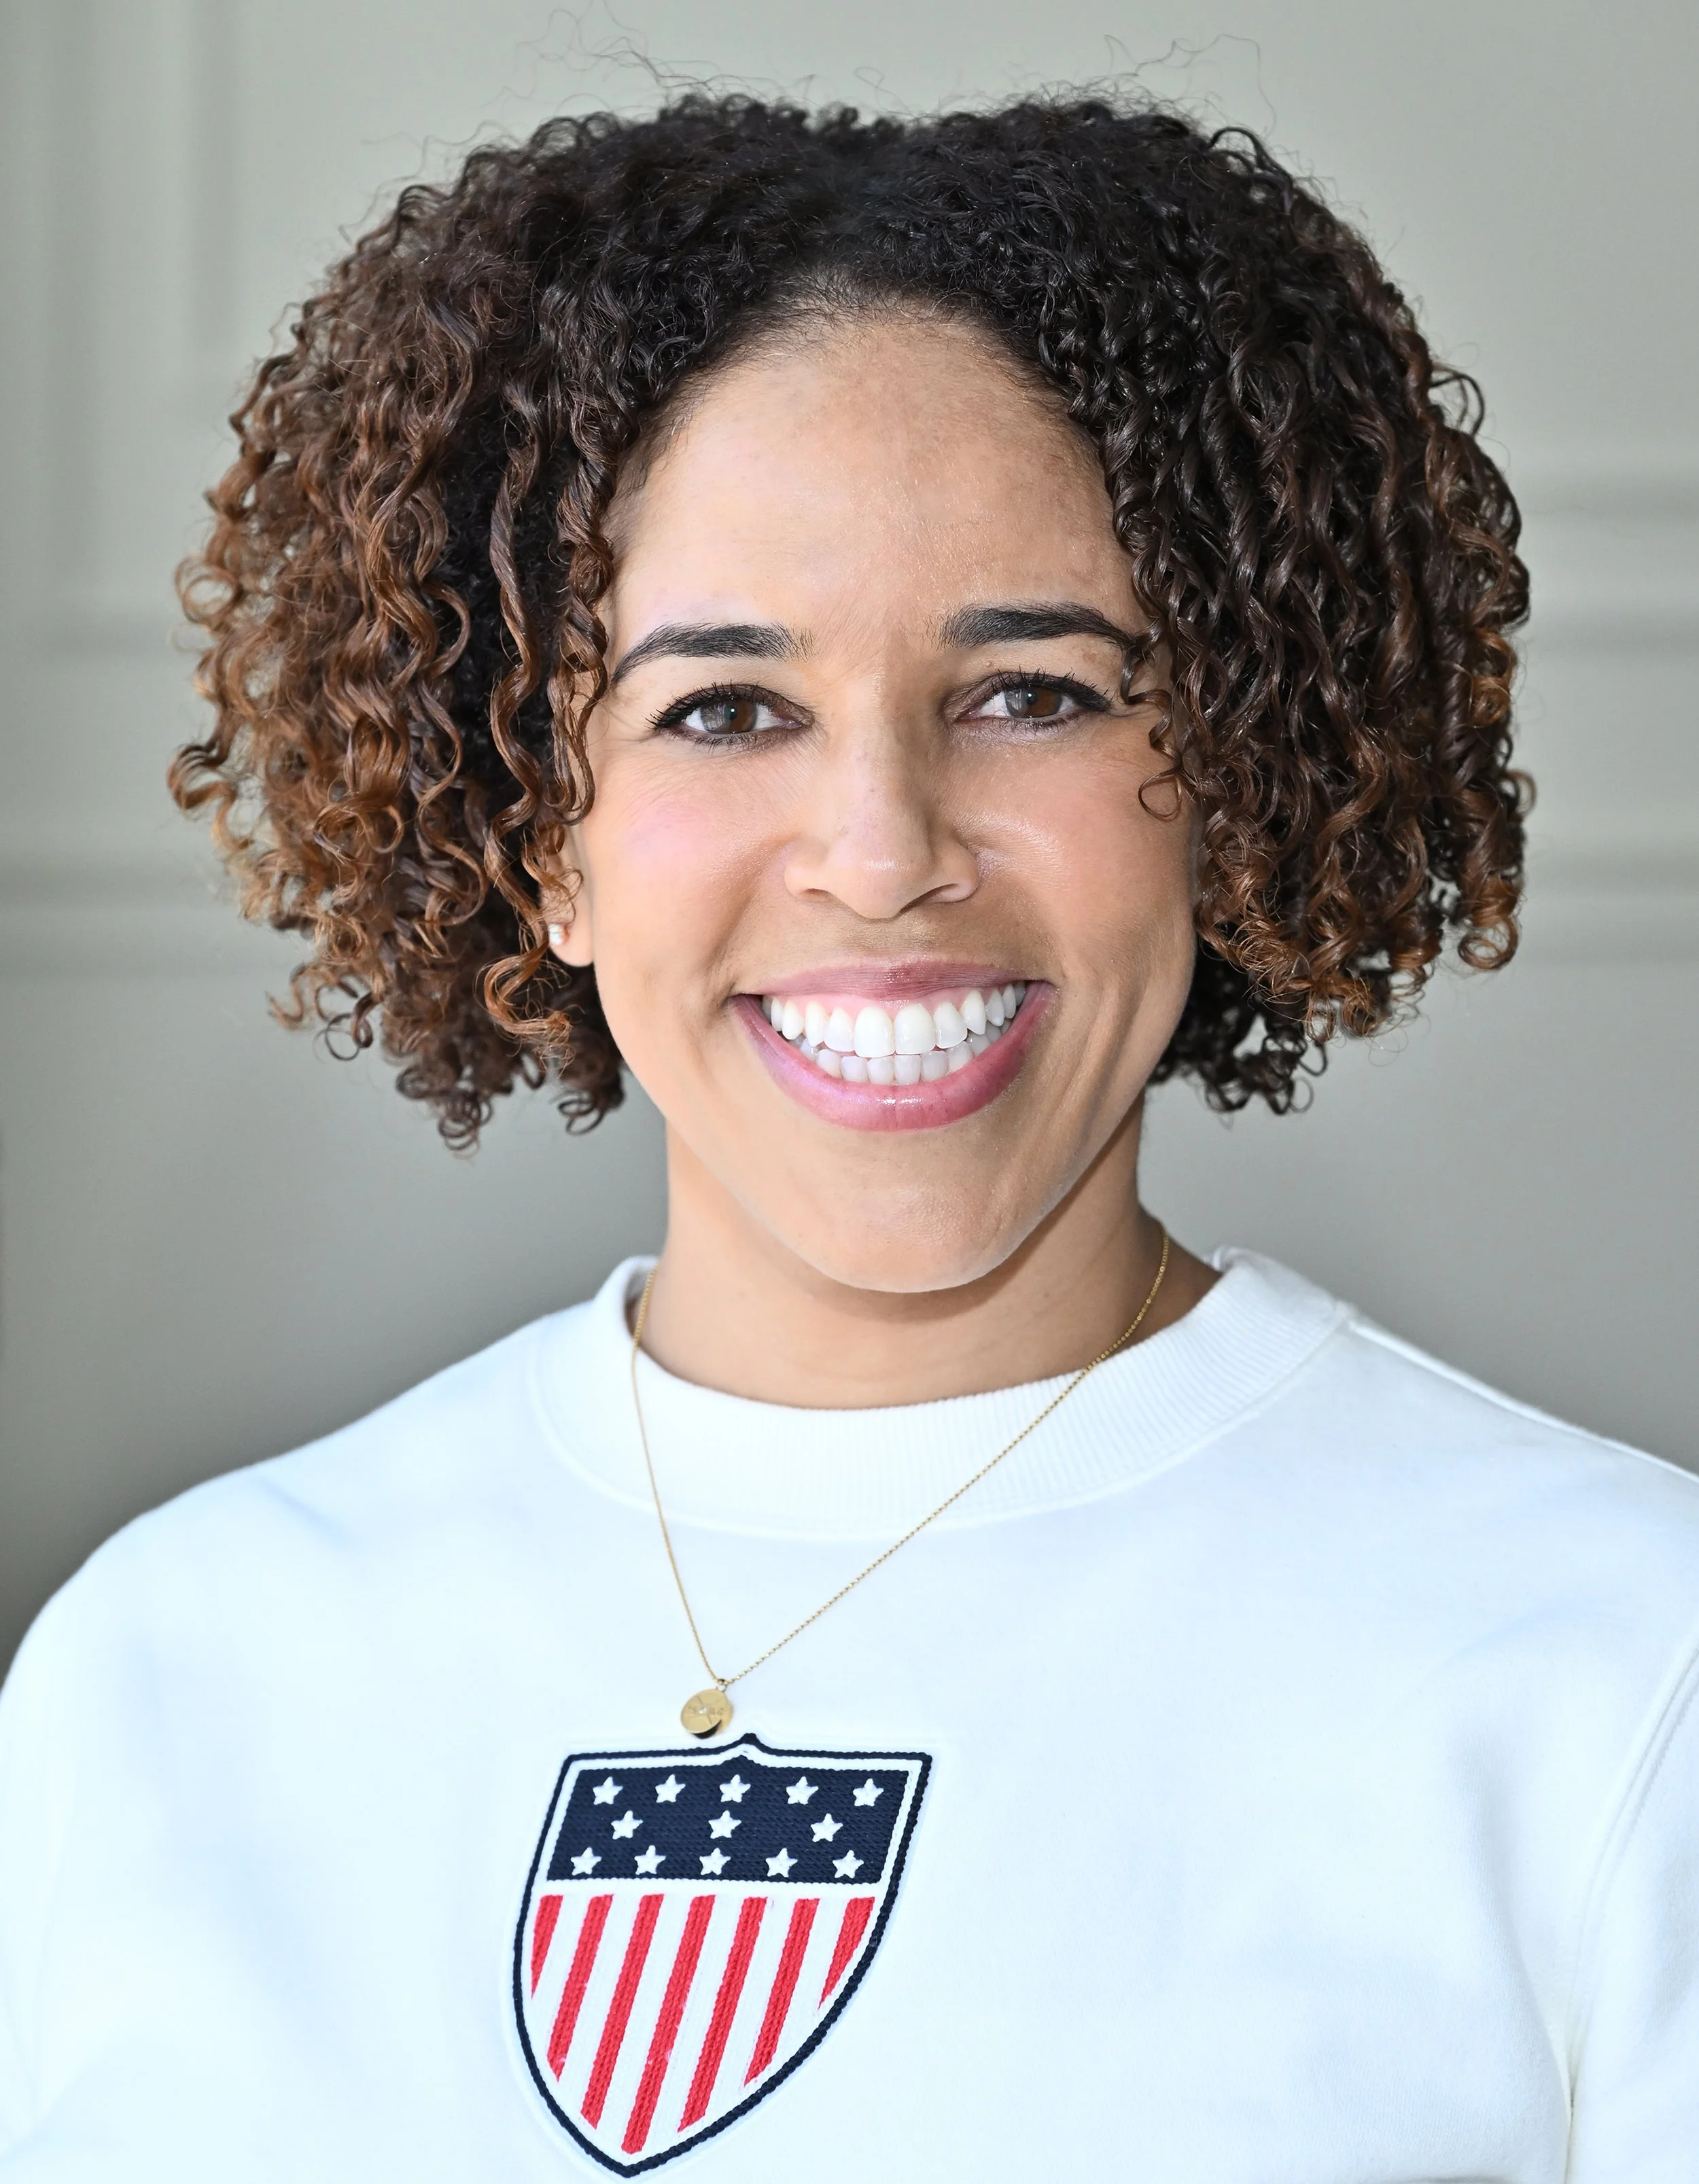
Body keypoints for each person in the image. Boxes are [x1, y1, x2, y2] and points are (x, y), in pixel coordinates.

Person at [1, 91, 1694, 2182]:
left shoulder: (1624, 1666)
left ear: (1231, 776)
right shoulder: (160, 1671)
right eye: (723, 708)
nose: (883, 852)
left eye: (1032, 691)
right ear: (541, 837)